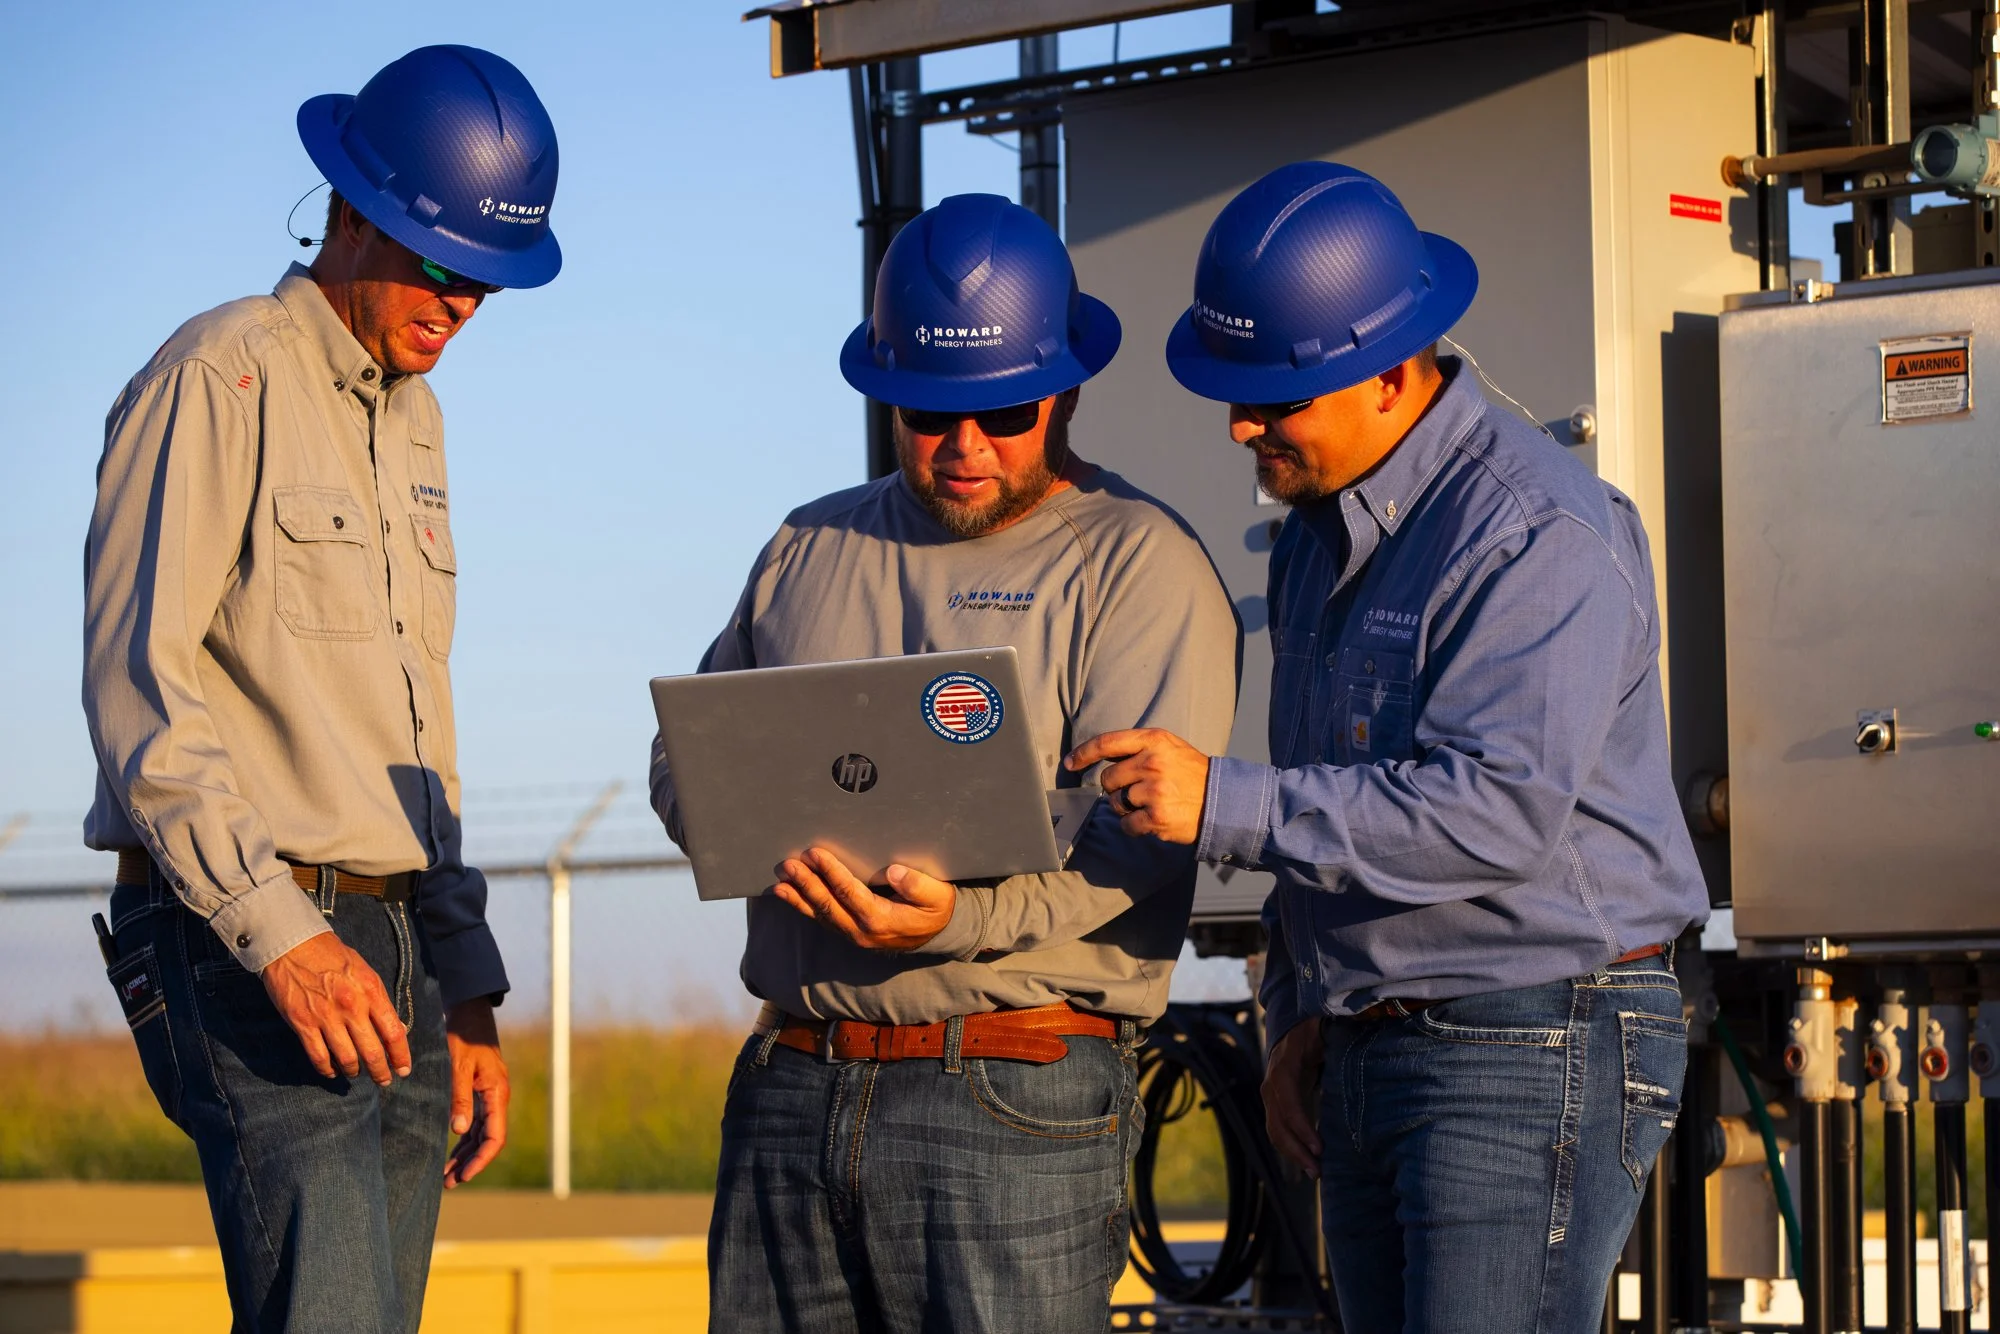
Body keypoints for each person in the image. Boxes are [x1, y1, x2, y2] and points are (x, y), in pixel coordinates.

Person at [1066, 161, 1709, 1331]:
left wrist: (1219, 801)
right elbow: (1343, 797)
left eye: (1273, 396)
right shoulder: (1312, 540)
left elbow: (1493, 812)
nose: (1239, 424)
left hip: (1531, 1031)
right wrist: (1297, 1006)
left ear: (1392, 373)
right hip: (1373, 1034)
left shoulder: (1535, 530)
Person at [649, 192, 1240, 1333]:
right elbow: (689, 757)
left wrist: (949, 924)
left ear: (1064, 387)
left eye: (1004, 411)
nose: (962, 446)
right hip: (794, 1080)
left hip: (1008, 1092)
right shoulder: (806, 544)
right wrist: (756, 830)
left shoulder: (1137, 565)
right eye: (925, 414)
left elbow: (1144, 845)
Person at [81, 45, 562, 1333]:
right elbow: (142, 681)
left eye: (487, 282)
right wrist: (279, 931)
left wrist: (464, 981)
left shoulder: (416, 419)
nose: (459, 304)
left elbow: (415, 723)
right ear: (350, 209)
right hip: (248, 933)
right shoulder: (217, 376)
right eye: (437, 262)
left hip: (400, 948)